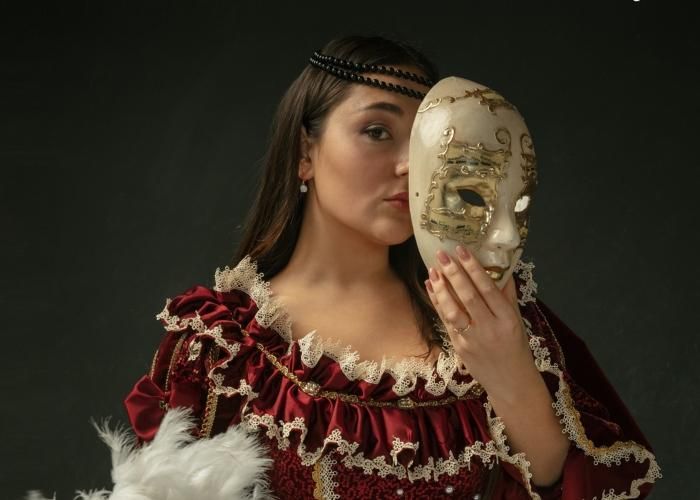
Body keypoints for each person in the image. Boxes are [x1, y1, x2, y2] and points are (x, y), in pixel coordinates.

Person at [122, 35, 661, 499]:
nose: (409, 165)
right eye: (377, 131)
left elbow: (574, 487)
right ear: (304, 152)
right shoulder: (219, 349)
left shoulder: (488, 310)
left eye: (428, 146)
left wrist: (511, 374)